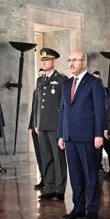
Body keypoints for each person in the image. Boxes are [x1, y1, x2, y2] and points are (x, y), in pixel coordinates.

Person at [57, 51, 106, 219]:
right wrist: (61, 135)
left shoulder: (94, 83)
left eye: (75, 60)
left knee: (90, 175)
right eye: (69, 60)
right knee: (75, 175)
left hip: (87, 136)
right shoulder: (66, 84)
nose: (71, 63)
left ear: (84, 63)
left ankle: (92, 209)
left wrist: (98, 134)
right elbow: (63, 110)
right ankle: (78, 208)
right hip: (69, 137)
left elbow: (100, 111)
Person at [29, 48, 67, 200]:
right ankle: (49, 188)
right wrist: (36, 123)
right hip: (42, 126)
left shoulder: (62, 80)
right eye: (42, 60)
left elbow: (64, 106)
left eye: (47, 60)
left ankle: (60, 190)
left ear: (54, 61)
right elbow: (37, 104)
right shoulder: (40, 80)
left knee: (58, 159)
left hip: (56, 126)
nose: (43, 62)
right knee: (46, 158)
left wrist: (63, 129)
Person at [28, 68, 46, 189]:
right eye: (39, 75)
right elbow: (33, 109)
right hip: (35, 128)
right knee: (39, 156)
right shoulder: (36, 91)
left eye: (43, 75)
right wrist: (31, 125)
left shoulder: (50, 91)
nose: (40, 78)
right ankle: (43, 178)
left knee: (47, 156)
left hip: (45, 128)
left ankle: (50, 180)